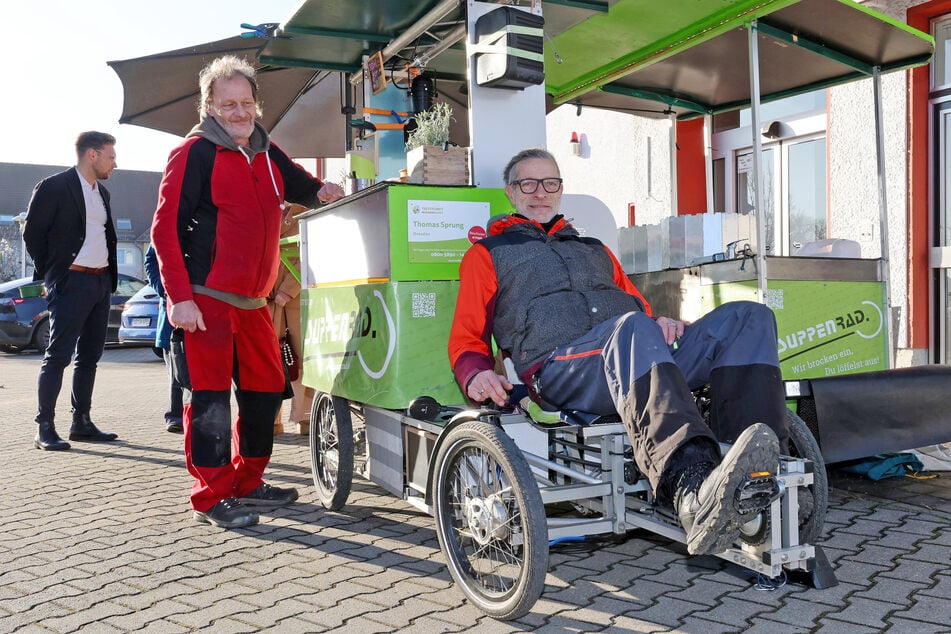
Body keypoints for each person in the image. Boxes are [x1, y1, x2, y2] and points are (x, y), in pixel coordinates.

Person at [448, 148, 788, 556]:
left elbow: (636, 311)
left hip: (632, 353)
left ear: (561, 189)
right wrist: (475, 373)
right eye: (528, 184)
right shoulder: (487, 255)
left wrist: (661, 321)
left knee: (749, 318)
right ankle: (692, 489)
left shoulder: (595, 249)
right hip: (561, 368)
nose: (541, 192)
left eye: (550, 183)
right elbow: (466, 337)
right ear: (511, 192)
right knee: (630, 331)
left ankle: (749, 470)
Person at [150, 55, 344, 529]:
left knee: (262, 396)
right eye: (227, 104)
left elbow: (302, 185)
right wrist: (180, 298)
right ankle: (212, 494)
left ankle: (248, 480)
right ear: (209, 107)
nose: (239, 112)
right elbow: (163, 231)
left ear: (257, 104)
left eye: (245, 102)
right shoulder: (193, 153)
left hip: (256, 303)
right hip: (208, 299)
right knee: (212, 401)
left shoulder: (266, 150)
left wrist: (323, 191)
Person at [23, 131, 121, 451]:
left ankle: (81, 421)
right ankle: (45, 427)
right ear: (92, 155)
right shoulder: (54, 186)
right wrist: (55, 274)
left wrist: (106, 279)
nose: (115, 163)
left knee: (90, 356)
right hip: (71, 281)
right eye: (111, 156)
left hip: (100, 282)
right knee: (58, 356)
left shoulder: (102, 193)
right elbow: (33, 234)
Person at [268, 203, 315, 437]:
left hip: (296, 301)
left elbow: (310, 253)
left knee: (302, 360)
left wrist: (288, 289)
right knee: (268, 362)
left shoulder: (304, 213)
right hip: (265, 300)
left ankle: (305, 418)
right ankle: (270, 419)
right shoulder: (260, 210)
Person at [144, 245, 184, 434]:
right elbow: (151, 259)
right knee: (176, 368)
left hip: (206, 305)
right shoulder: (170, 217)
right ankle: (175, 416)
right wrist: (164, 289)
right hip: (172, 309)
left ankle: (199, 416)